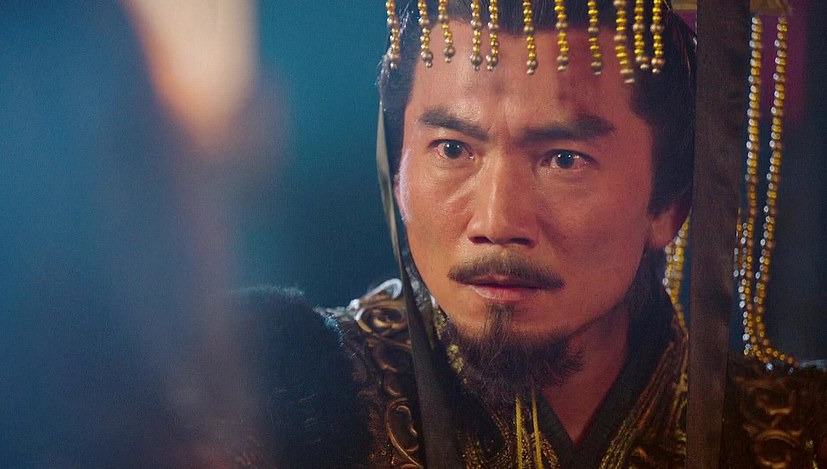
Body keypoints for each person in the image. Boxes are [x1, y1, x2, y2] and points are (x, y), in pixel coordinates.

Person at [233, 0, 827, 467]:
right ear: (397, 171)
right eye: (452, 149)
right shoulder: (269, 402)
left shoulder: (794, 435)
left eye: (564, 159)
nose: (496, 223)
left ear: (669, 205)